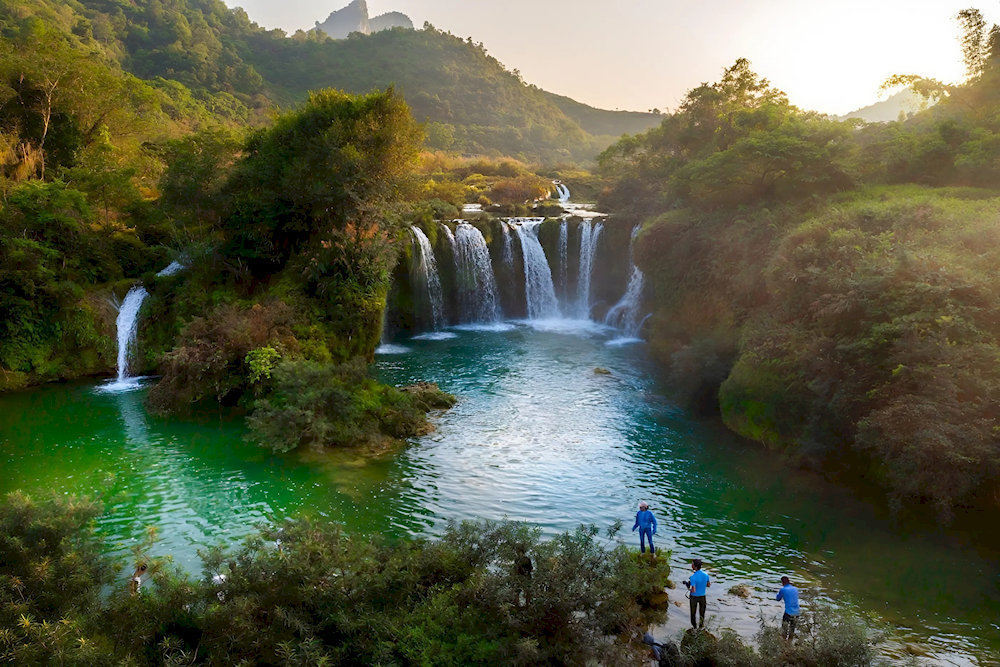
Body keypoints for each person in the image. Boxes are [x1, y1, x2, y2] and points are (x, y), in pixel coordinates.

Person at [686, 558, 710, 629]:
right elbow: (708, 585)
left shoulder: (693, 577)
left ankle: (694, 628)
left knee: (693, 613)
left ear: (695, 566)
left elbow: (693, 590)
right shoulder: (706, 575)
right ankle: (701, 627)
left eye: (692, 564)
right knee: (702, 613)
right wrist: (701, 585)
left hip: (694, 597)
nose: (691, 566)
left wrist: (687, 586)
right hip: (703, 596)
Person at [776, 575, 800, 639]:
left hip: (788, 612)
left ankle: (784, 643)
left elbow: (778, 599)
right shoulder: (795, 588)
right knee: (792, 629)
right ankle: (789, 642)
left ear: (782, 583)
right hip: (797, 612)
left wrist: (778, 592)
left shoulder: (783, 589)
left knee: (784, 629)